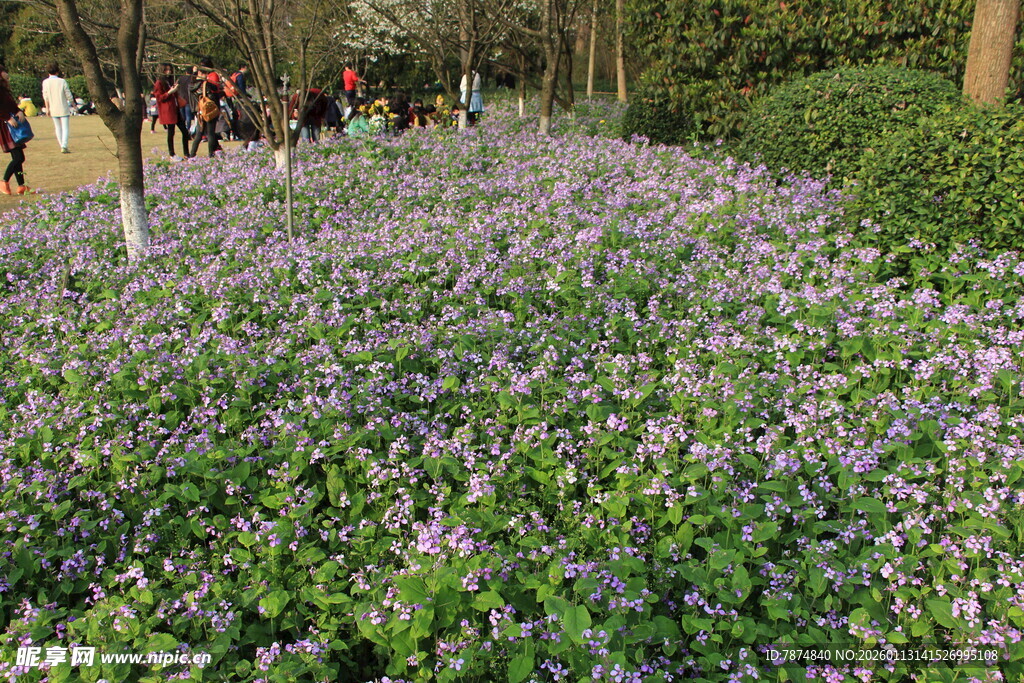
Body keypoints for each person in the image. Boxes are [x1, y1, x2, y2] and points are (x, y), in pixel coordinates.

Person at [1, 64, 35, 195]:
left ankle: (21, 185)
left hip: (12, 124)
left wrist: (19, 111)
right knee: (19, 157)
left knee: (17, 155)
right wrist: (7, 118)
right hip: (6, 127)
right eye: (4, 72)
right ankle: (4, 181)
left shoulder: (4, 89)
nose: (7, 74)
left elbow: (11, 105)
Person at [153, 63, 190, 159]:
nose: (168, 72)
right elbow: (159, 98)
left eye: (170, 70)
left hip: (176, 109)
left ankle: (186, 153)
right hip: (168, 111)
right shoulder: (159, 83)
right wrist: (170, 92)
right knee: (171, 132)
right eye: (166, 70)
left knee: (185, 131)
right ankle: (172, 154)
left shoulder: (169, 81)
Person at [189, 58, 222, 158]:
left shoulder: (192, 84)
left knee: (199, 133)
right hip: (208, 110)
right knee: (211, 133)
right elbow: (215, 93)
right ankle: (211, 154)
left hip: (199, 110)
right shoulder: (207, 84)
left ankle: (192, 154)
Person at [41, 63, 73, 153]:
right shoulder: (62, 81)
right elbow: (68, 95)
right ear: (57, 71)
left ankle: (61, 145)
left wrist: (47, 108)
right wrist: (73, 104)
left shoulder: (45, 82)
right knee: (65, 128)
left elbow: (45, 96)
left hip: (53, 108)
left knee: (57, 128)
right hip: (63, 107)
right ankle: (64, 145)